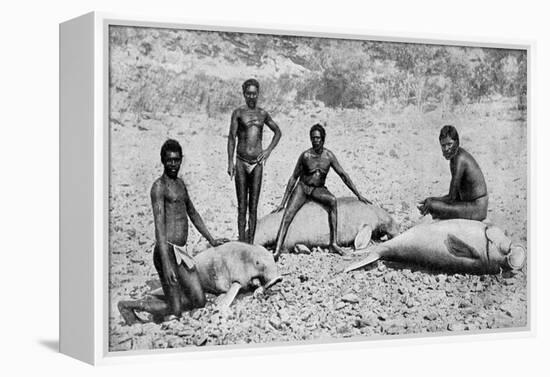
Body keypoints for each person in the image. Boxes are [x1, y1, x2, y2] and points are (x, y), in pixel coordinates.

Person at [118, 139, 228, 325]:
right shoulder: (159, 187)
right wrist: (167, 264)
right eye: (169, 160)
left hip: (181, 252)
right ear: (162, 160)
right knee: (176, 310)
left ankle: (167, 300)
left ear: (181, 160)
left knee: (199, 301)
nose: (173, 164)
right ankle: (129, 306)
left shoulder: (180, 184)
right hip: (165, 252)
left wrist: (211, 239)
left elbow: (192, 213)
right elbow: (159, 228)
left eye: (176, 160)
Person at [272, 124, 372, 261]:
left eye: (318, 138)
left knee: (333, 201)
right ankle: (277, 250)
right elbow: (294, 178)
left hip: (318, 189)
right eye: (313, 138)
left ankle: (334, 243)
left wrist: (358, 195)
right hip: (303, 187)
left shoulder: (329, 156)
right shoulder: (305, 155)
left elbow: (343, 175)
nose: (316, 141)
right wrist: (282, 203)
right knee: (288, 214)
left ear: (323, 139)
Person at [227, 78, 282, 243]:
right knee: (242, 205)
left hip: (257, 164)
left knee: (254, 206)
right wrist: (230, 162)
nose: (251, 96)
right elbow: (231, 138)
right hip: (242, 162)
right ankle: (241, 241)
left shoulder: (262, 114)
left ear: (258, 94)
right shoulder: (238, 113)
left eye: (254, 93)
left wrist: (268, 150)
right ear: (244, 94)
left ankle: (250, 242)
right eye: (248, 93)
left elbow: (278, 132)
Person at [417, 125, 488, 221]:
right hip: (470, 204)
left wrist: (431, 201)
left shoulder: (460, 159)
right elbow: (456, 195)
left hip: (477, 208)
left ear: (457, 143)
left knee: (433, 206)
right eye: (443, 145)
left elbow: (451, 197)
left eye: (449, 144)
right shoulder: (455, 158)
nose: (446, 149)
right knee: (434, 205)